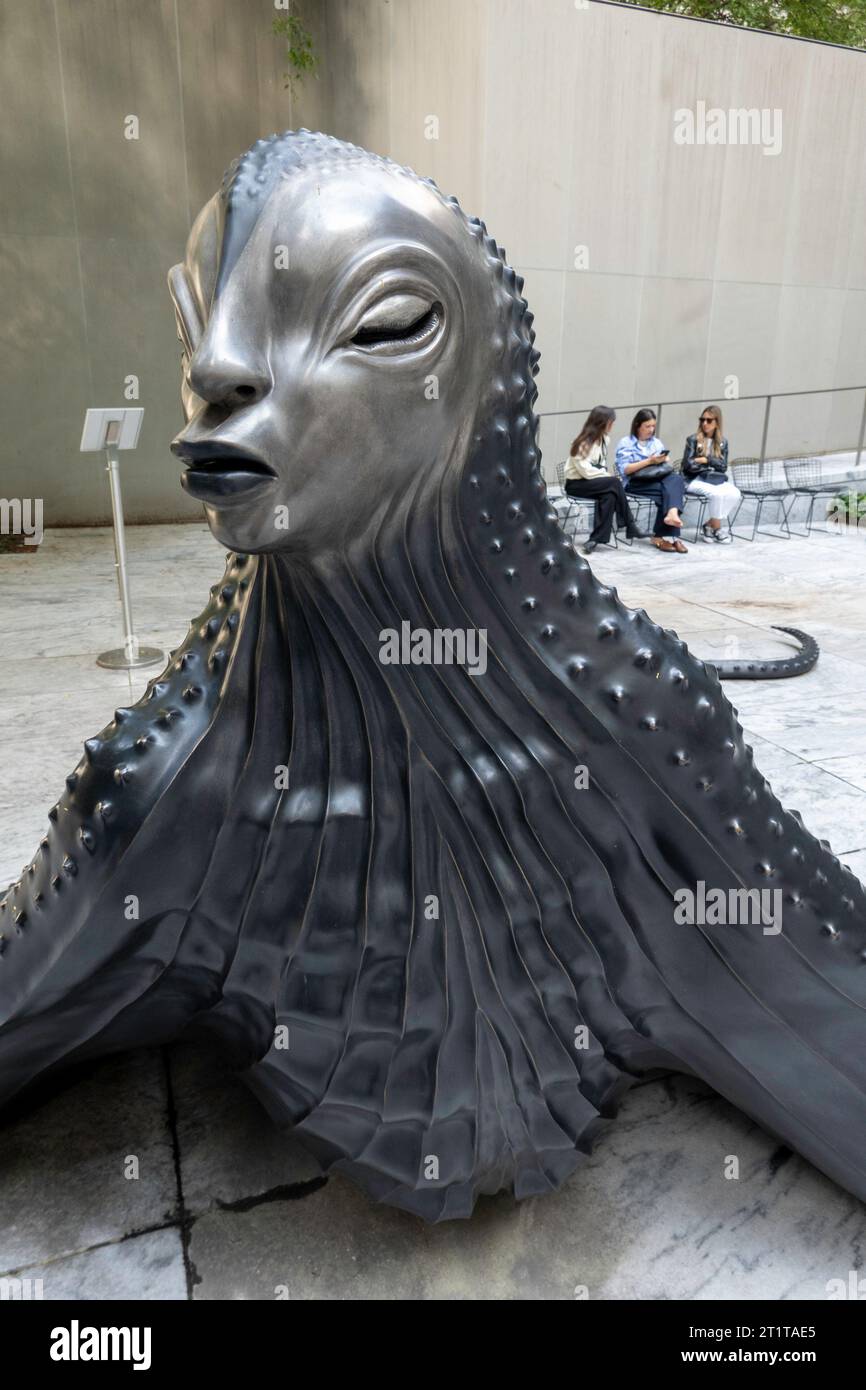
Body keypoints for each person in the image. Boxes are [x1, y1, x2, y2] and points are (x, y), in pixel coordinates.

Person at [564, 406, 648, 556]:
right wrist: (607, 476)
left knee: (609, 495)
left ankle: (595, 540)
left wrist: (605, 475)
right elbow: (586, 471)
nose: (613, 425)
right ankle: (630, 524)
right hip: (576, 485)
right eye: (611, 422)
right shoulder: (582, 442)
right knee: (614, 483)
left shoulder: (603, 440)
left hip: (592, 483)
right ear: (603, 423)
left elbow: (599, 465)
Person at [615, 409, 687, 553]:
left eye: (653, 426)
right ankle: (667, 537)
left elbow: (666, 465)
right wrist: (649, 461)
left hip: (656, 479)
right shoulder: (626, 442)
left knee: (676, 479)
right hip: (635, 483)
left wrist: (663, 459)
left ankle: (668, 526)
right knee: (668, 493)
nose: (651, 430)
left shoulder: (656, 443)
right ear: (637, 425)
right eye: (647, 426)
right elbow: (625, 470)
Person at [681, 405, 741, 543]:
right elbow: (688, 465)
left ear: (717, 422)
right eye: (702, 420)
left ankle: (709, 525)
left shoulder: (722, 442)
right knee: (717, 494)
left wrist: (706, 459)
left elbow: (723, 467)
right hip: (693, 479)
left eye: (709, 420)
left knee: (735, 493)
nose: (704, 423)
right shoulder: (693, 439)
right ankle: (717, 528)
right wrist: (710, 465)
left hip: (713, 479)